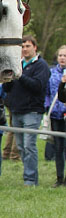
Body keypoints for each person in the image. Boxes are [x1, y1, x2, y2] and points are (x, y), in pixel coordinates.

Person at [3, 35, 49, 186]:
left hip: (32, 111)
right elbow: (8, 88)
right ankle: (27, 175)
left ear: (35, 47)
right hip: (16, 110)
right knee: (21, 146)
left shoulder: (41, 65)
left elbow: (38, 86)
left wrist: (20, 75)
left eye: (28, 46)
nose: (24, 49)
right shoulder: (18, 64)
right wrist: (7, 78)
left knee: (30, 145)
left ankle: (30, 179)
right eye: (22, 47)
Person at [45, 45, 66, 186]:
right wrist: (47, 108)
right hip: (55, 114)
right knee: (58, 148)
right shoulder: (51, 73)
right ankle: (59, 177)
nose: (62, 58)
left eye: (65, 56)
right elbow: (46, 92)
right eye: (60, 56)